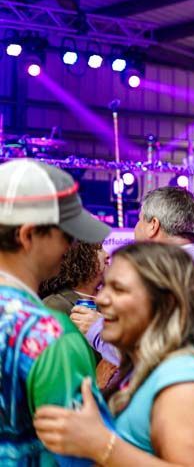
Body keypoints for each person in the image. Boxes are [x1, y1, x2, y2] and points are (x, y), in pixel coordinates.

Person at [34, 242, 194, 466]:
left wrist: (102, 444)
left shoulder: (190, 379)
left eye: (119, 289)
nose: (101, 299)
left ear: (166, 302)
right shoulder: (151, 367)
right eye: (105, 286)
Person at [0, 159, 110, 464]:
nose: (71, 246)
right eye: (66, 235)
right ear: (28, 236)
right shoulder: (51, 335)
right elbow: (83, 455)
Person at [74, 186, 194, 364]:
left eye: (139, 220)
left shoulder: (175, 273)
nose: (135, 229)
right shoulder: (191, 266)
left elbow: (151, 351)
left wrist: (97, 330)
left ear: (153, 226)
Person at [40, 241, 109, 315]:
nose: (107, 255)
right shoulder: (53, 306)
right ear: (80, 257)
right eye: (99, 249)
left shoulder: (109, 301)